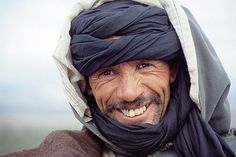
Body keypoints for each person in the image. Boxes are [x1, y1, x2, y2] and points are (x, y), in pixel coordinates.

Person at [2, 0, 236, 157]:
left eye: (144, 66)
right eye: (107, 72)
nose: (129, 93)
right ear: (87, 86)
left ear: (173, 71)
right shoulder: (63, 151)